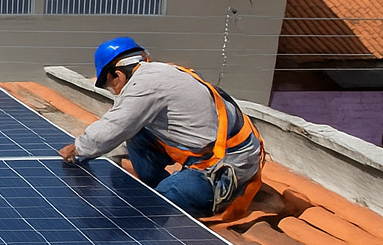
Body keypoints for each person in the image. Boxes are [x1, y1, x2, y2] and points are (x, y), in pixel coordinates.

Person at [59, 36, 265, 220]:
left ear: (118, 75)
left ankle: (205, 196)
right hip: (214, 150)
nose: (113, 91)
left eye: (109, 85)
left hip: (227, 164)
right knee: (137, 132)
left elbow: (113, 127)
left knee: (157, 207)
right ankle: (156, 184)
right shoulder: (161, 73)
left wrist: (78, 148)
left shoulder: (144, 86)